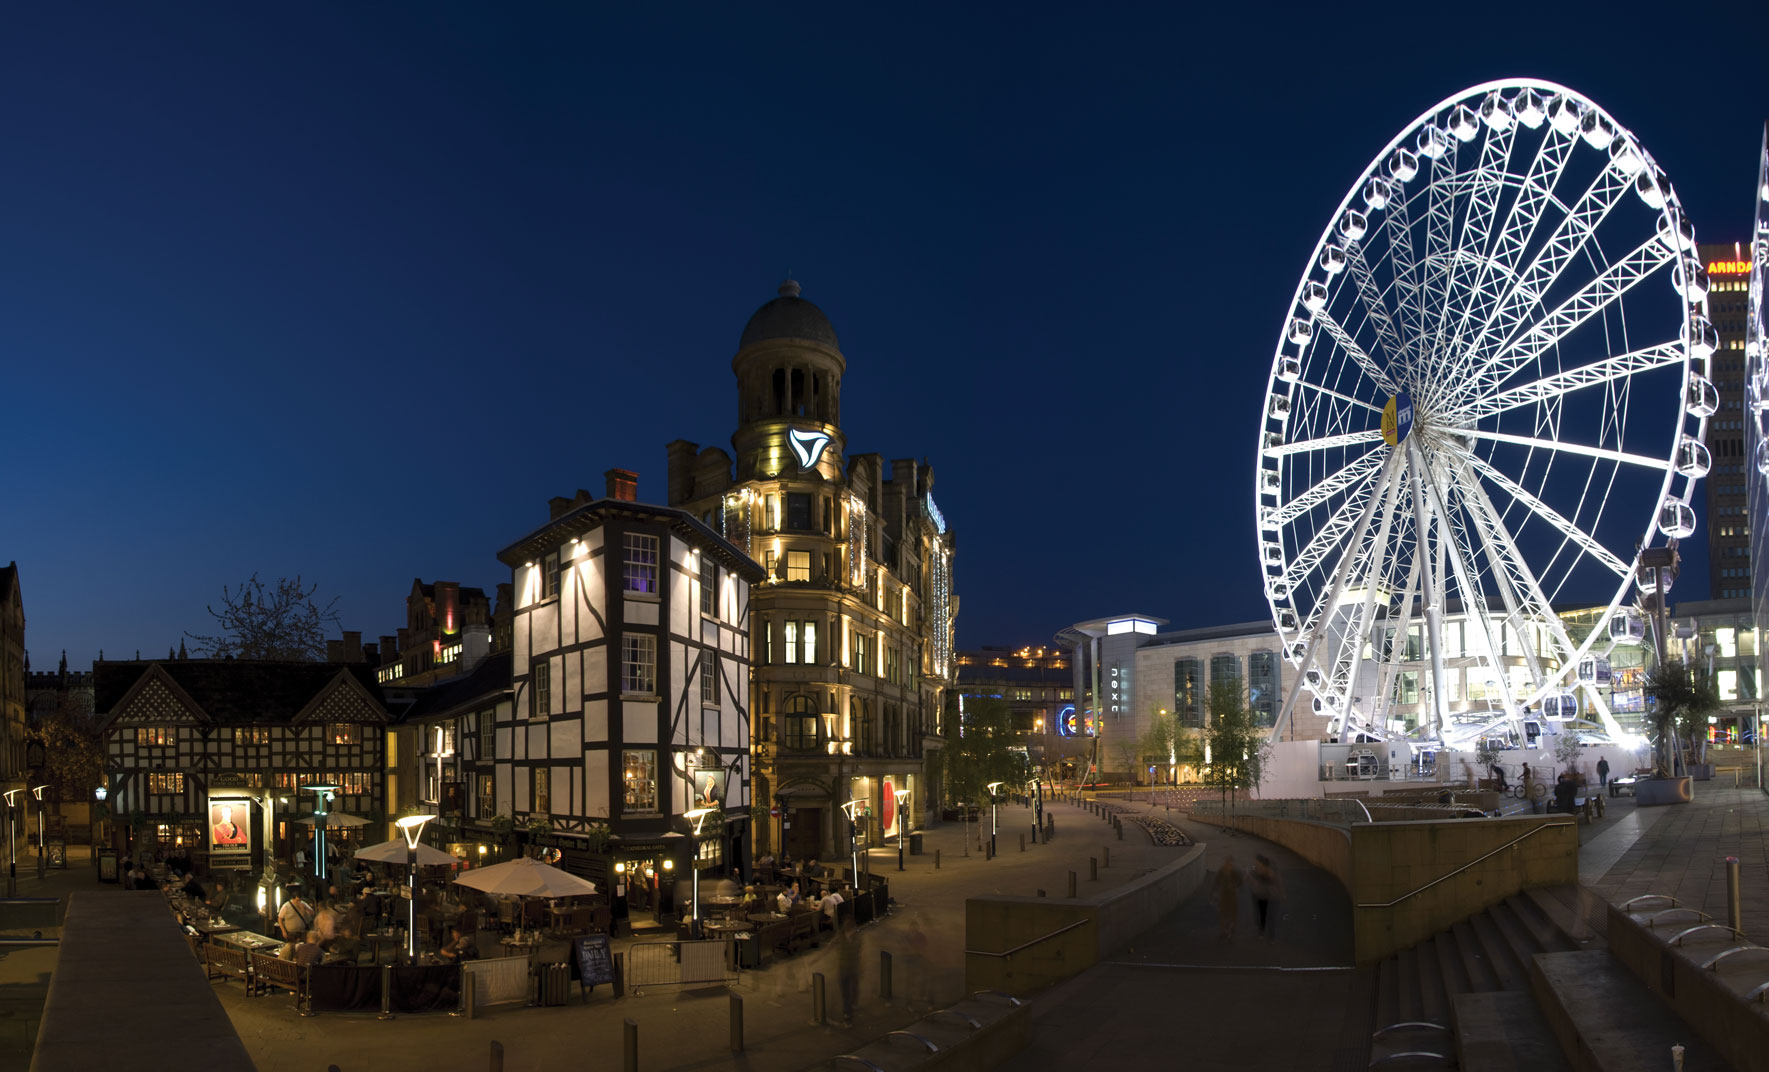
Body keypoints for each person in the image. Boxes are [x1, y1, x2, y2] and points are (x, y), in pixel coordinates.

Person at [835, 916, 861, 1028]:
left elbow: (859, 953)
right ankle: (850, 1010)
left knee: (848, 994)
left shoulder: (855, 940)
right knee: (847, 994)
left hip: (850, 969)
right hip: (845, 970)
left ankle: (848, 1017)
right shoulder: (843, 938)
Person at [1249, 855, 1282, 939]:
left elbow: (1275, 884)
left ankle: (1270, 936)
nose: (1257, 866)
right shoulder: (1257, 871)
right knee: (1261, 915)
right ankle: (1262, 933)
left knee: (1270, 917)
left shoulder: (1270, 873)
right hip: (1262, 896)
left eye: (1258, 864)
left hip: (1270, 897)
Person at [1215, 856, 1243, 941]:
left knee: (1231, 913)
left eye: (1230, 863)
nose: (1229, 865)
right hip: (1224, 895)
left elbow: (1240, 881)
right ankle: (1225, 931)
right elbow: (1217, 881)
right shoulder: (1222, 871)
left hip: (1232, 895)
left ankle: (1229, 931)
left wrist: (1234, 885)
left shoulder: (1234, 872)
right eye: (1228, 863)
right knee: (1224, 913)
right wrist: (1214, 892)